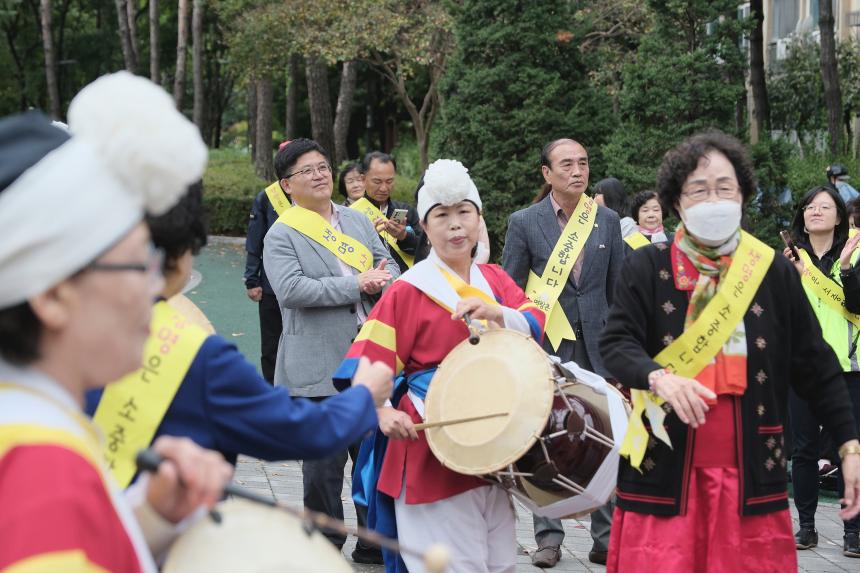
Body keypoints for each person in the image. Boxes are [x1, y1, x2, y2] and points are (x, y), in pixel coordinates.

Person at [0, 72, 233, 572]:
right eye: (137, 265)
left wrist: (148, 515)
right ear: (52, 295)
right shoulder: (44, 476)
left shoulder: (31, 430)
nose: (155, 288)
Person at [599, 130, 860, 572]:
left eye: (725, 187)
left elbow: (816, 365)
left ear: (743, 195)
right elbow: (615, 343)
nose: (713, 198)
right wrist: (658, 375)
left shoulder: (773, 271)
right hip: (664, 475)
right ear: (675, 201)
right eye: (698, 189)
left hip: (752, 480)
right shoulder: (648, 266)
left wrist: (850, 446)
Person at [85, 181, 392, 473]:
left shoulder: (65, 332)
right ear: (182, 257)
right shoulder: (199, 355)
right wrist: (364, 395)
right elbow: (294, 431)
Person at [333, 158, 545, 573]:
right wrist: (382, 411)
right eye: (442, 216)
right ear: (424, 229)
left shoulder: (496, 280)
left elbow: (537, 325)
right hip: (430, 443)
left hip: (494, 447)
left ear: (479, 220)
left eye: (464, 213)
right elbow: (366, 363)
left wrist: (497, 312)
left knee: (500, 563)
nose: (455, 225)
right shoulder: (408, 290)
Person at [263, 138, 398, 561]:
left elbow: (387, 264)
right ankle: (322, 548)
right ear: (287, 185)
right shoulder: (281, 233)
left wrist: (384, 280)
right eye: (308, 171)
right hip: (316, 363)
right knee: (322, 467)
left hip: (369, 357)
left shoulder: (357, 221)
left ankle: (373, 545)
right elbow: (291, 290)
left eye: (323, 167)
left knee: (372, 458)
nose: (320, 175)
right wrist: (356, 284)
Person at [502, 138, 623, 568]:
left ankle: (605, 536)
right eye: (567, 164)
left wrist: (622, 348)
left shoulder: (607, 220)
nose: (578, 171)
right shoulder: (524, 221)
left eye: (584, 163)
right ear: (546, 173)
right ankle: (548, 537)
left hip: (599, 344)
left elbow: (618, 290)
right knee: (545, 438)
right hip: (549, 343)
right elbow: (510, 290)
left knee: (606, 436)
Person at [785, 185, 860, 557]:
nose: (816, 211)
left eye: (825, 206)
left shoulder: (855, 252)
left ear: (839, 216)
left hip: (848, 367)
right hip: (801, 368)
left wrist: (845, 268)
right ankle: (807, 527)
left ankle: (854, 530)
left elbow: (858, 306)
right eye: (810, 206)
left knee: (851, 449)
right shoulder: (787, 257)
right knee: (803, 450)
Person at [244, 154, 292, 383]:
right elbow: (255, 240)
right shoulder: (267, 197)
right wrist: (252, 280)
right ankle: (271, 391)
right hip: (272, 285)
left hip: (308, 284)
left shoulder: (313, 197)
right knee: (272, 343)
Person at [358, 151, 420, 273]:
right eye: (377, 182)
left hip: (408, 281)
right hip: (374, 286)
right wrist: (368, 239)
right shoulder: (351, 215)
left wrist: (404, 236)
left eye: (389, 181)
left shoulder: (406, 211)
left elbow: (425, 248)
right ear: (363, 179)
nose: (384, 188)